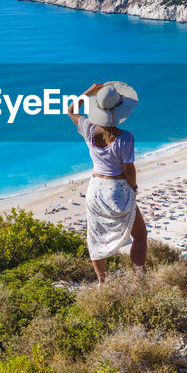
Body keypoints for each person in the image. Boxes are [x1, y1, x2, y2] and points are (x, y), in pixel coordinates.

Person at [67, 81, 146, 284]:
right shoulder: (125, 138)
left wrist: (88, 92)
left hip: (95, 190)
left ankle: (103, 282)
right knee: (140, 236)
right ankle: (140, 279)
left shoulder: (87, 129)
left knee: (95, 238)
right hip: (118, 189)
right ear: (119, 110)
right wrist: (134, 187)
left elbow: (70, 110)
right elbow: (129, 169)